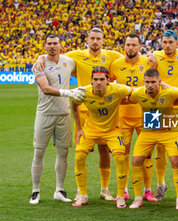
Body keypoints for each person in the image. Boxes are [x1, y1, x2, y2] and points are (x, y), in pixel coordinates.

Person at [34, 28, 123, 201]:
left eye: (98, 39)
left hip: (104, 110)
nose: (95, 42)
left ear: (103, 40)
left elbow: (128, 58)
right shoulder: (75, 55)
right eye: (92, 38)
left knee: (104, 150)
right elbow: (54, 55)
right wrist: (40, 57)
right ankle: (80, 190)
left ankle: (105, 189)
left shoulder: (112, 56)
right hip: (82, 110)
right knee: (80, 151)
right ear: (87, 40)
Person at [30, 34, 85, 204]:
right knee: (39, 152)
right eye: (49, 43)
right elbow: (45, 88)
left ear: (61, 45)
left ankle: (59, 190)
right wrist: (67, 93)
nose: (52, 46)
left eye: (55, 43)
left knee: (63, 153)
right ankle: (35, 191)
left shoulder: (69, 61)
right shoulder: (39, 64)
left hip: (64, 114)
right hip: (45, 114)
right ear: (44, 46)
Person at [71, 66, 132, 208]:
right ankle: (83, 196)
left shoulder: (118, 89)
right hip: (90, 130)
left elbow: (135, 92)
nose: (98, 82)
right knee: (79, 157)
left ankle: (120, 196)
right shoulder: (83, 92)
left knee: (120, 158)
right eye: (95, 79)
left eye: (102, 79)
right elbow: (74, 106)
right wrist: (79, 128)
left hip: (112, 131)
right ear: (91, 81)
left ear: (108, 80)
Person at [127, 68, 178, 210]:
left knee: (176, 161)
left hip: (169, 132)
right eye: (147, 82)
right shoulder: (138, 93)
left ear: (159, 82)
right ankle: (138, 198)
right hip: (148, 133)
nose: (150, 85)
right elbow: (125, 98)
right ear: (143, 82)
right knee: (136, 161)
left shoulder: (169, 92)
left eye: (153, 82)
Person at [109, 33, 156, 202]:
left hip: (148, 114)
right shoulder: (115, 64)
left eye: (134, 45)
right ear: (124, 46)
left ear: (140, 47)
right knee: (123, 154)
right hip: (124, 115)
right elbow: (108, 87)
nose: (130, 48)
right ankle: (124, 190)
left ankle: (148, 190)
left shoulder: (149, 62)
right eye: (128, 44)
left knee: (148, 154)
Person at [152, 30, 178, 201]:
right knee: (159, 147)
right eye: (164, 42)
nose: (167, 45)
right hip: (158, 110)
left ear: (177, 43)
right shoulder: (154, 56)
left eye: (170, 42)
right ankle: (160, 184)